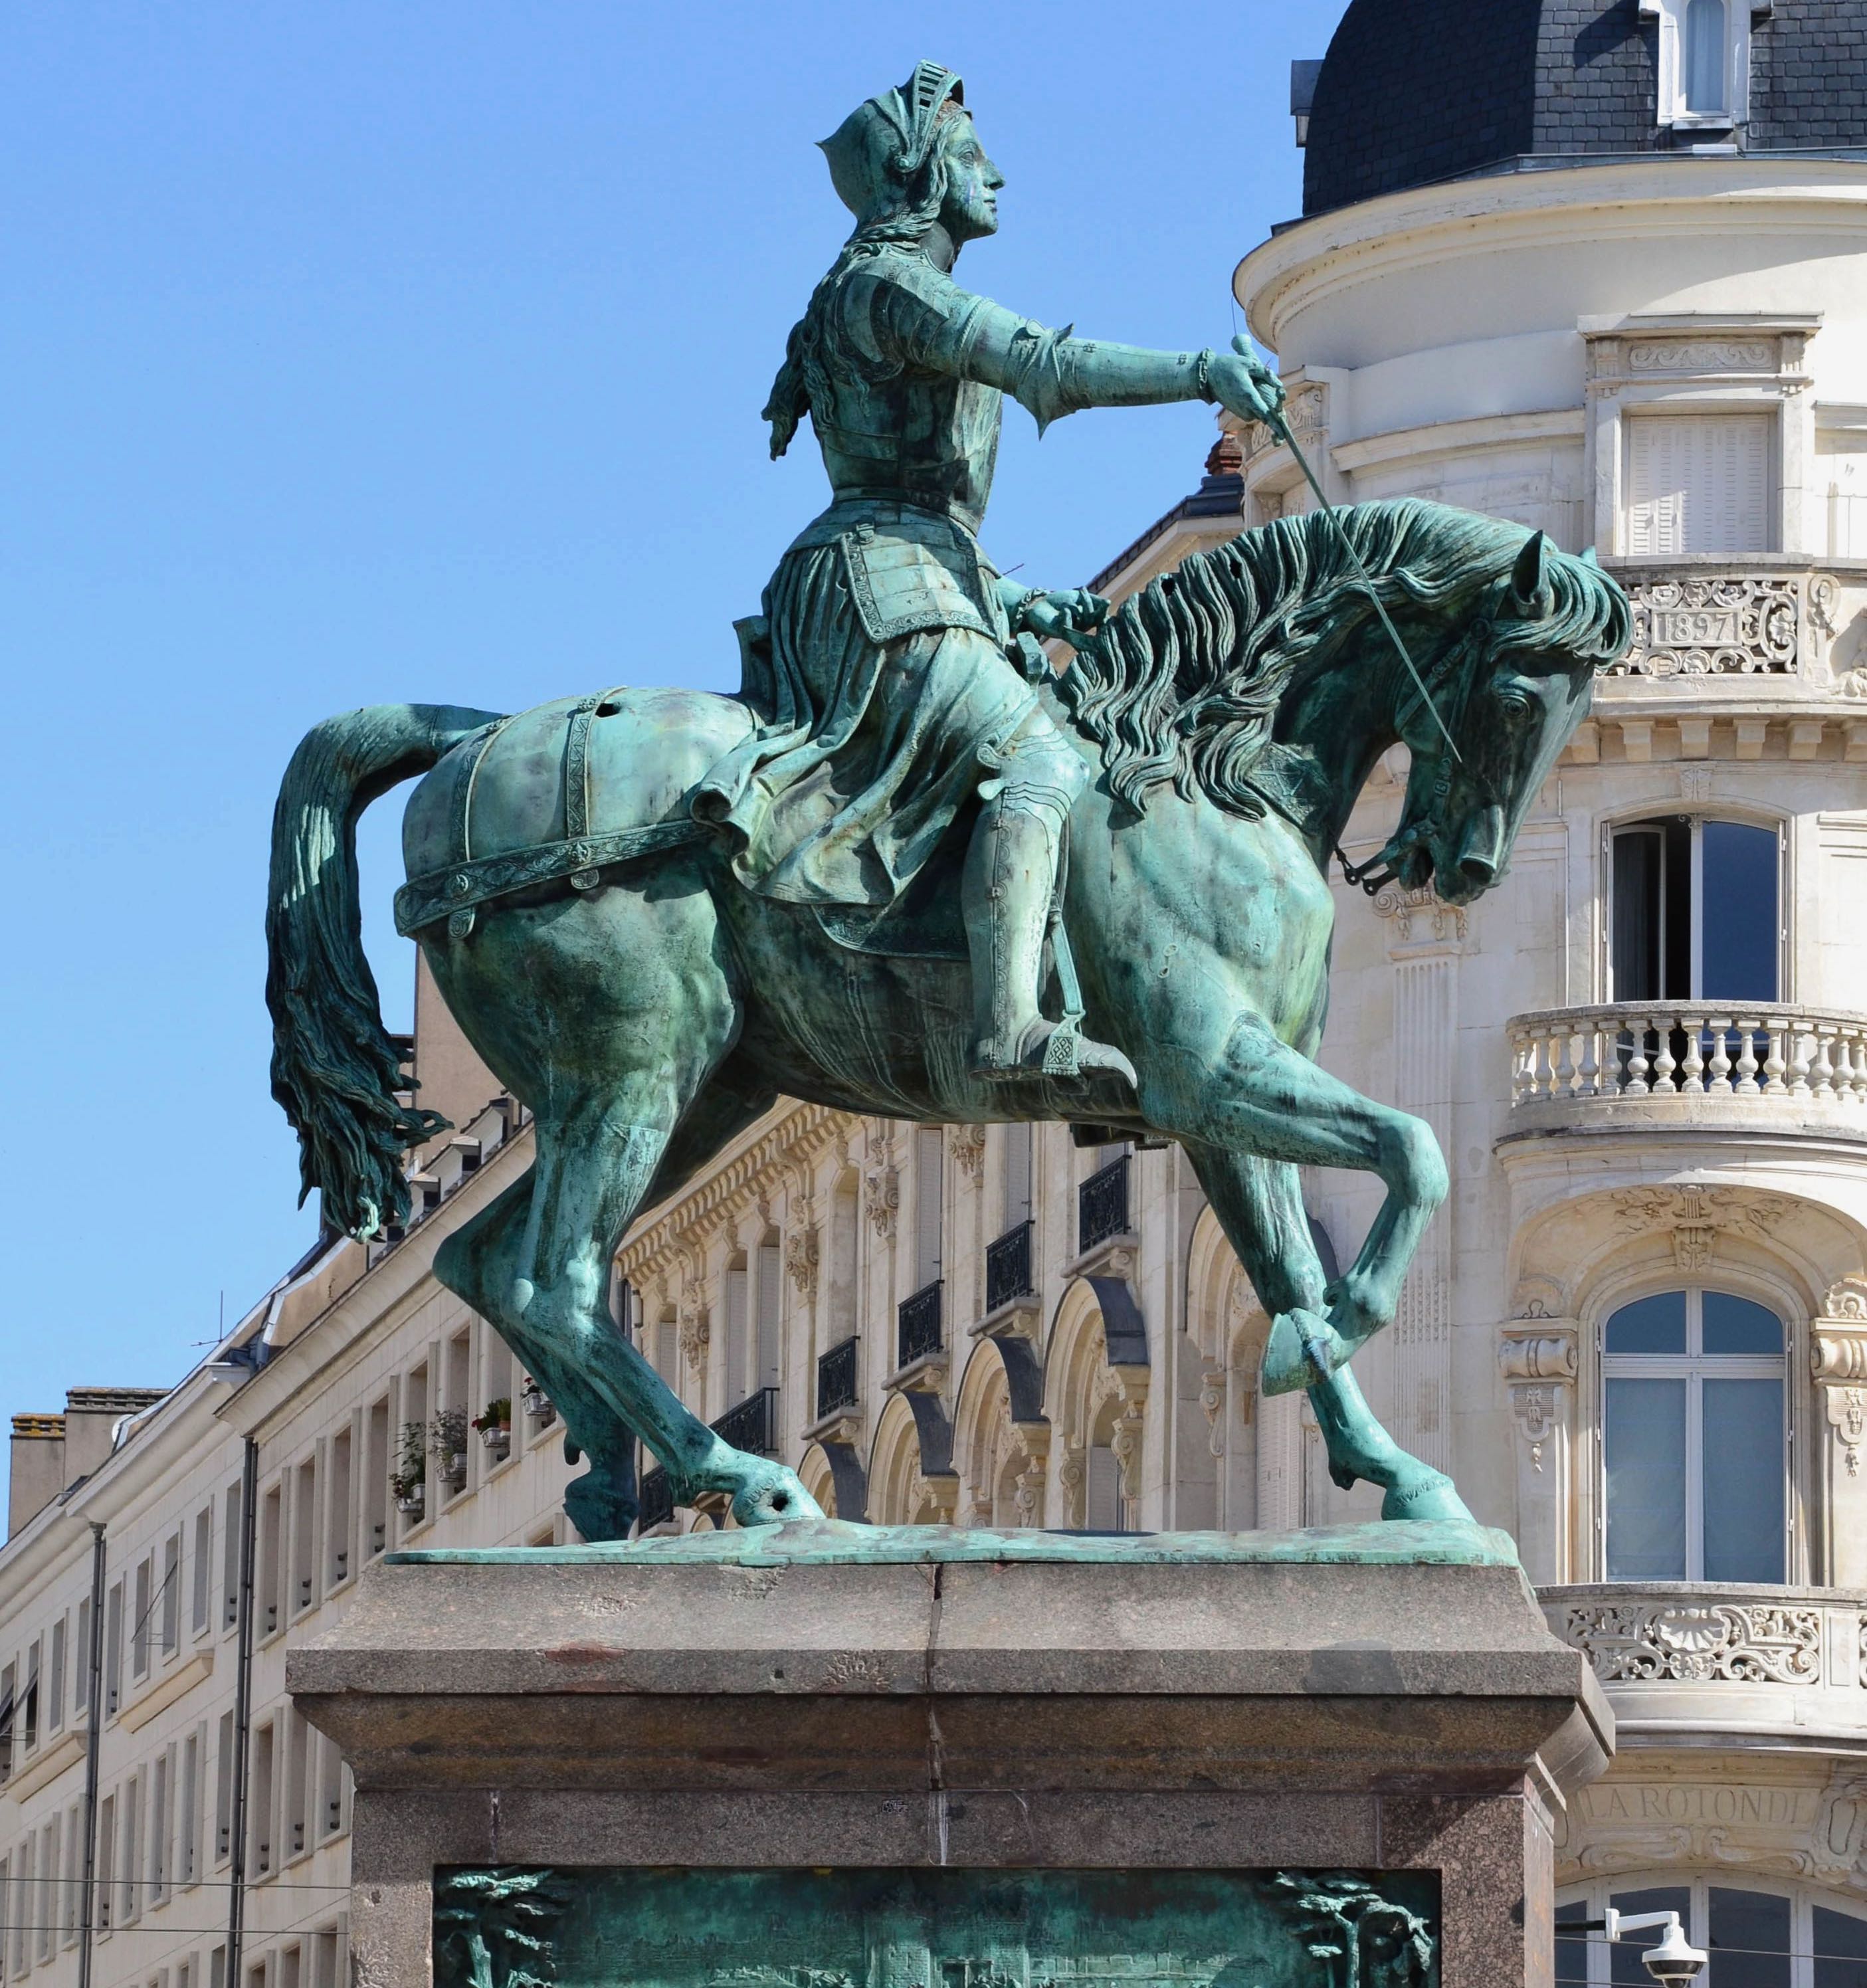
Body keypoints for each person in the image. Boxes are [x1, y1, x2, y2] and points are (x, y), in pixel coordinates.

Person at [694, 61, 1284, 1090]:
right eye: (971, 157)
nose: (995, 176)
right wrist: (1199, 375)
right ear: (921, 176)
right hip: (878, 581)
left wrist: (1010, 599)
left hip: (912, 570)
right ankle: (1009, 1026)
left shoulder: (875, 287)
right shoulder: (890, 287)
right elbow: (1043, 365)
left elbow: (910, 487)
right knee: (1041, 763)